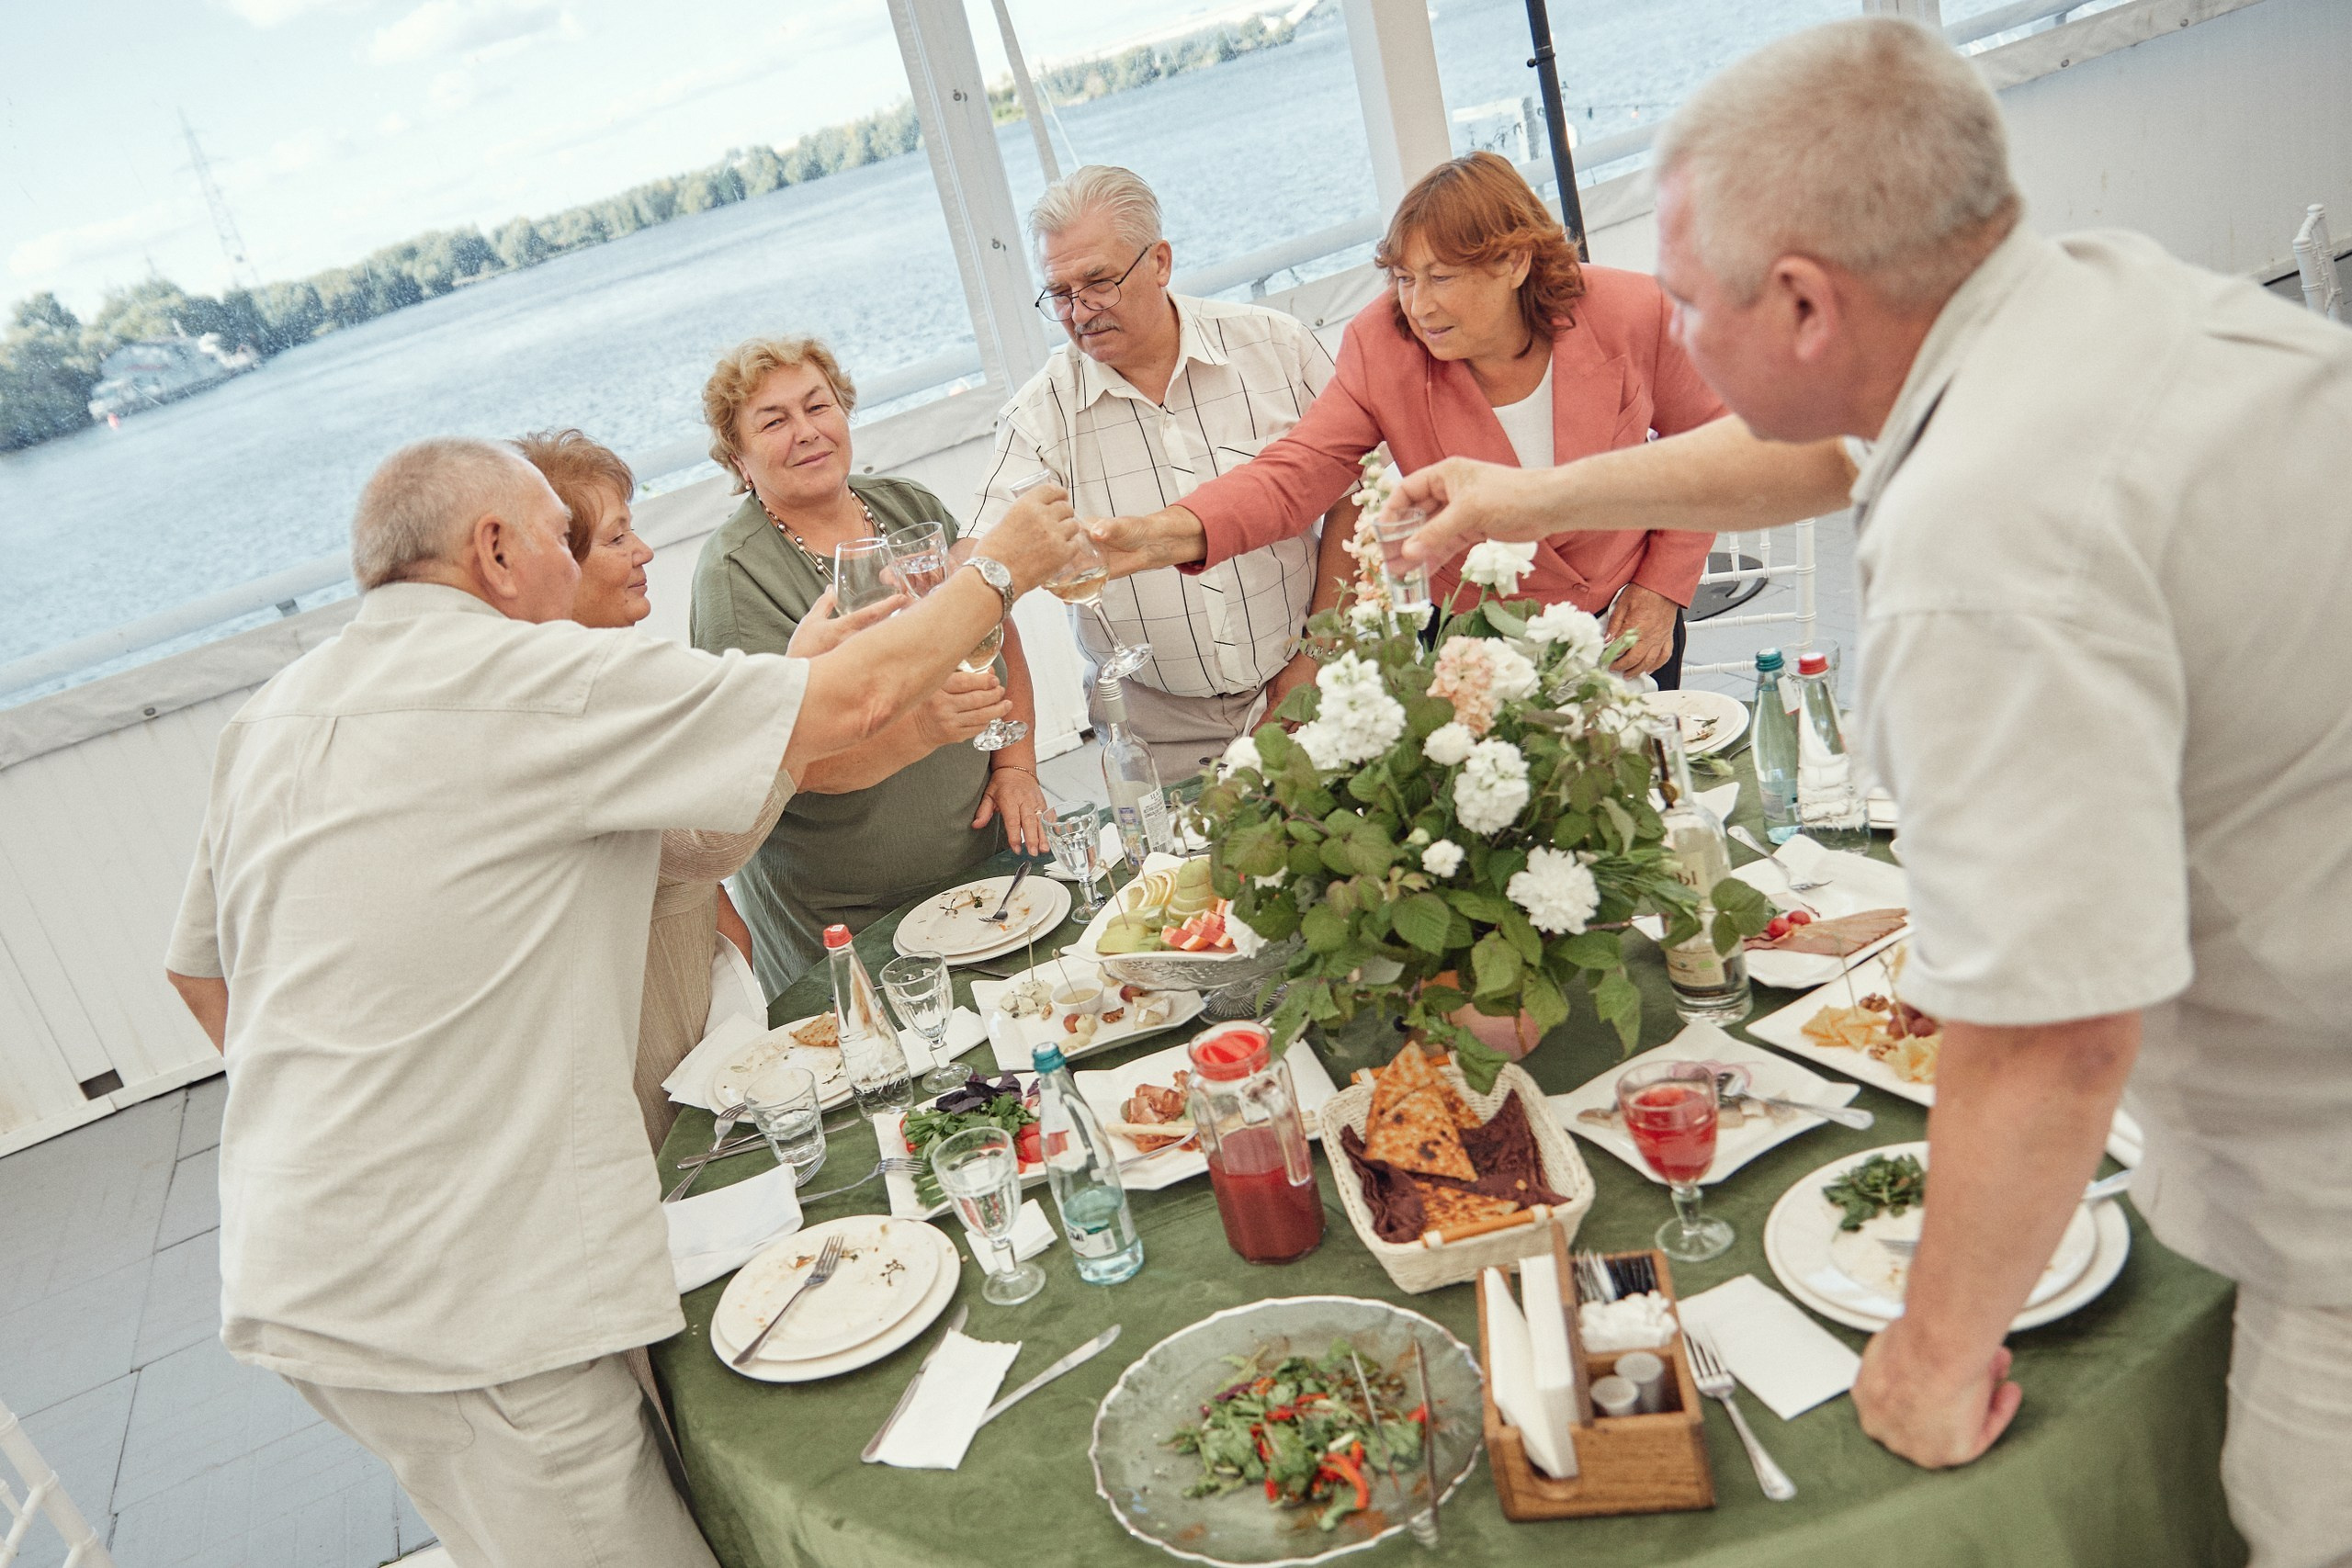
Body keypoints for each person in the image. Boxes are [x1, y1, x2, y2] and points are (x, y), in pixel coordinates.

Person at [1384, 19, 2352, 1564]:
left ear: (1809, 302)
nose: (1676, 339)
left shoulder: (1987, 549)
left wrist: (1933, 1346)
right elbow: (1831, 447)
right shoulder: (2074, 296)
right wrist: (1535, 497)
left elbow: (2048, 1036)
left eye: (1693, 304)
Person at [162, 436, 1076, 1566]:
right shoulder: (518, 678)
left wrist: (340, 1124)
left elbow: (201, 974)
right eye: (561, 533)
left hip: (309, 1256)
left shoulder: (279, 711)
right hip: (462, 1291)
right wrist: (1000, 567)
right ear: (494, 550)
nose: (589, 556)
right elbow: (868, 693)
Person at [1088, 151, 1728, 689]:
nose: (1417, 306)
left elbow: (1708, 441)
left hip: (1626, 618)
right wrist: (1161, 535)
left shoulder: (1631, 310)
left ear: (1514, 262)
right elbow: (1297, 472)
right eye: (1402, 279)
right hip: (1479, 643)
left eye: (1440, 278)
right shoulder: (1383, 345)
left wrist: (1663, 588)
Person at [691, 335, 1051, 994]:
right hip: (847, 920)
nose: (806, 432)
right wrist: (919, 730)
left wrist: (1017, 766)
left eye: (817, 406)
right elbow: (769, 765)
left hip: (984, 865)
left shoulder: (907, 507)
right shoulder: (735, 575)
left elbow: (996, 629)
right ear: (738, 459)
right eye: (774, 421)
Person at [969, 164, 1355, 777]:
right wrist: (946, 588)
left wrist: (1313, 662)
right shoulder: (1038, 414)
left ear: (1160, 262)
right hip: (1159, 737)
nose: (1080, 311)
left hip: (1321, 682)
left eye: (1098, 281)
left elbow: (1357, 498)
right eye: (1060, 293)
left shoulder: (1277, 348)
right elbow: (983, 549)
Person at [516, 426, 780, 1151]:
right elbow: (702, 844)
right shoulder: (562, 704)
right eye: (616, 538)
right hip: (634, 1045)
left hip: (701, 1006)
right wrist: (811, 705)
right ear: (551, 565)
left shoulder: (610, 667)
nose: (644, 554)